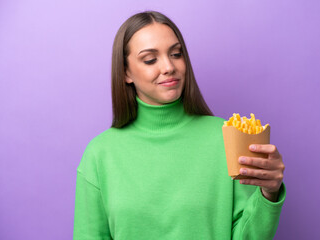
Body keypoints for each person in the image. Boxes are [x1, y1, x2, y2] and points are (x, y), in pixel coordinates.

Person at [73, 10, 286, 240]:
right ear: (126, 72)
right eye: (150, 59)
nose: (168, 67)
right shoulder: (100, 154)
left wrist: (268, 193)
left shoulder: (228, 137)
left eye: (176, 54)